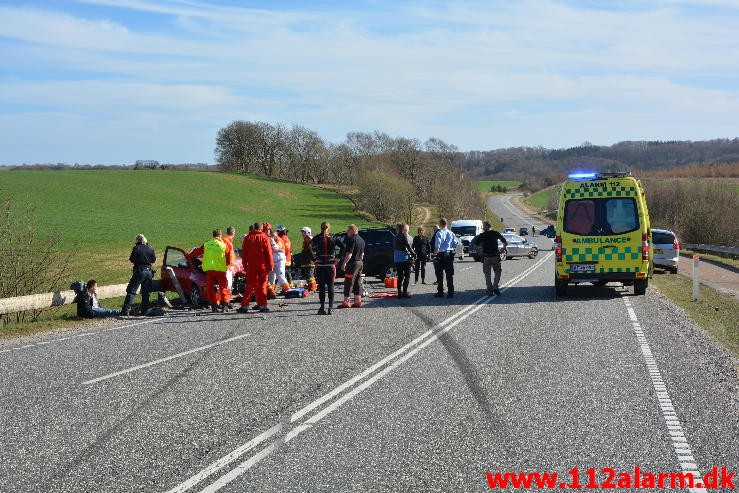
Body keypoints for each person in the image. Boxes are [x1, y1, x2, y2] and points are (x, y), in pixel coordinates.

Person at [189, 229, 235, 312]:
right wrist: (227, 265)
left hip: (209, 270)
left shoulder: (207, 244)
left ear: (213, 235)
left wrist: (188, 255)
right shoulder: (224, 245)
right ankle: (224, 306)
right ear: (220, 236)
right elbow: (229, 257)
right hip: (220, 270)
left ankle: (213, 306)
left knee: (210, 288)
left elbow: (196, 252)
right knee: (223, 287)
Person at [239, 222, 274, 313]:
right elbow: (268, 253)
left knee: (249, 286)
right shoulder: (264, 237)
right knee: (262, 286)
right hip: (262, 266)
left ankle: (244, 306)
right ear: (261, 228)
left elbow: (244, 254)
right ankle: (262, 305)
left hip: (251, 266)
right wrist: (271, 265)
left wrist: (245, 265)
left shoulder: (247, 238)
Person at [121, 234, 156, 316]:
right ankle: (144, 311)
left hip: (140, 271)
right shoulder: (150, 248)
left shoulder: (136, 248)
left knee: (131, 291)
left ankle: (125, 310)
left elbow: (132, 259)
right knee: (146, 292)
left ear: (137, 240)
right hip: (149, 272)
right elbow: (153, 260)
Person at [471, 221, 507, 296]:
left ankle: (490, 290)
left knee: (487, 275)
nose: (482, 228)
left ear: (487, 226)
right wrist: (502, 249)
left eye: (483, 226)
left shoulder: (482, 235)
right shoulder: (496, 233)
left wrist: (479, 252)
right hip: (495, 256)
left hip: (486, 257)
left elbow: (474, 245)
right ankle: (495, 286)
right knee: (498, 272)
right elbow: (505, 242)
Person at [310, 221, 338, 315]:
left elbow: (309, 248)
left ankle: (322, 307)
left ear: (321, 228)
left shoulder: (317, 238)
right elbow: (344, 247)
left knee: (321, 286)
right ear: (329, 228)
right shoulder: (333, 237)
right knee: (331, 286)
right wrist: (338, 258)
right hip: (330, 265)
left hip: (320, 265)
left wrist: (314, 259)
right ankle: (330, 307)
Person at [339, 224, 365, 308]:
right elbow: (363, 254)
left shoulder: (351, 239)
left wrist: (344, 263)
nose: (347, 232)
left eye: (348, 230)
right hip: (360, 262)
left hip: (352, 263)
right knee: (358, 281)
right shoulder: (362, 240)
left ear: (352, 230)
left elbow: (349, 254)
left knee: (348, 282)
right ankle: (357, 301)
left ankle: (346, 302)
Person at [433, 217, 460, 298]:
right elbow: (456, 244)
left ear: (440, 224)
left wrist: (434, 255)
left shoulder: (439, 233)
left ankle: (440, 292)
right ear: (446, 224)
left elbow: (437, 246)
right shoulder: (451, 233)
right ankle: (450, 292)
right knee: (449, 274)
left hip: (440, 254)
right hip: (449, 254)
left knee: (439, 274)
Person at [393, 223, 416, 298]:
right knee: (407, 276)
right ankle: (405, 292)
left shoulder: (395, 236)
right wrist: (414, 254)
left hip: (397, 258)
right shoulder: (403, 236)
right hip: (404, 258)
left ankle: (399, 293)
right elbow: (408, 246)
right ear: (402, 228)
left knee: (400, 276)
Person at [268, 225, 291, 296]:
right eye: (271, 236)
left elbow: (276, 248)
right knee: (271, 277)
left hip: (279, 261)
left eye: (273, 236)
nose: (273, 237)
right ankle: (271, 292)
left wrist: (272, 241)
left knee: (281, 276)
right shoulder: (273, 240)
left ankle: (288, 291)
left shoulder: (279, 240)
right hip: (273, 261)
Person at [299, 226, 317, 292]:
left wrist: (313, 259)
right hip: (307, 260)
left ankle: (312, 287)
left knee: (310, 275)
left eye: (303, 232)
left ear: (307, 232)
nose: (302, 234)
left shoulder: (309, 239)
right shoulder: (307, 239)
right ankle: (311, 286)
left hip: (309, 261)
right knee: (308, 275)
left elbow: (309, 250)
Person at [224, 226, 237, 294]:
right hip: (227, 266)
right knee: (228, 285)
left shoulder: (225, 239)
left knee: (227, 284)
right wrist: (230, 266)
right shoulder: (228, 242)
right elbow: (229, 255)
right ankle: (225, 302)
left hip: (226, 265)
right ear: (233, 233)